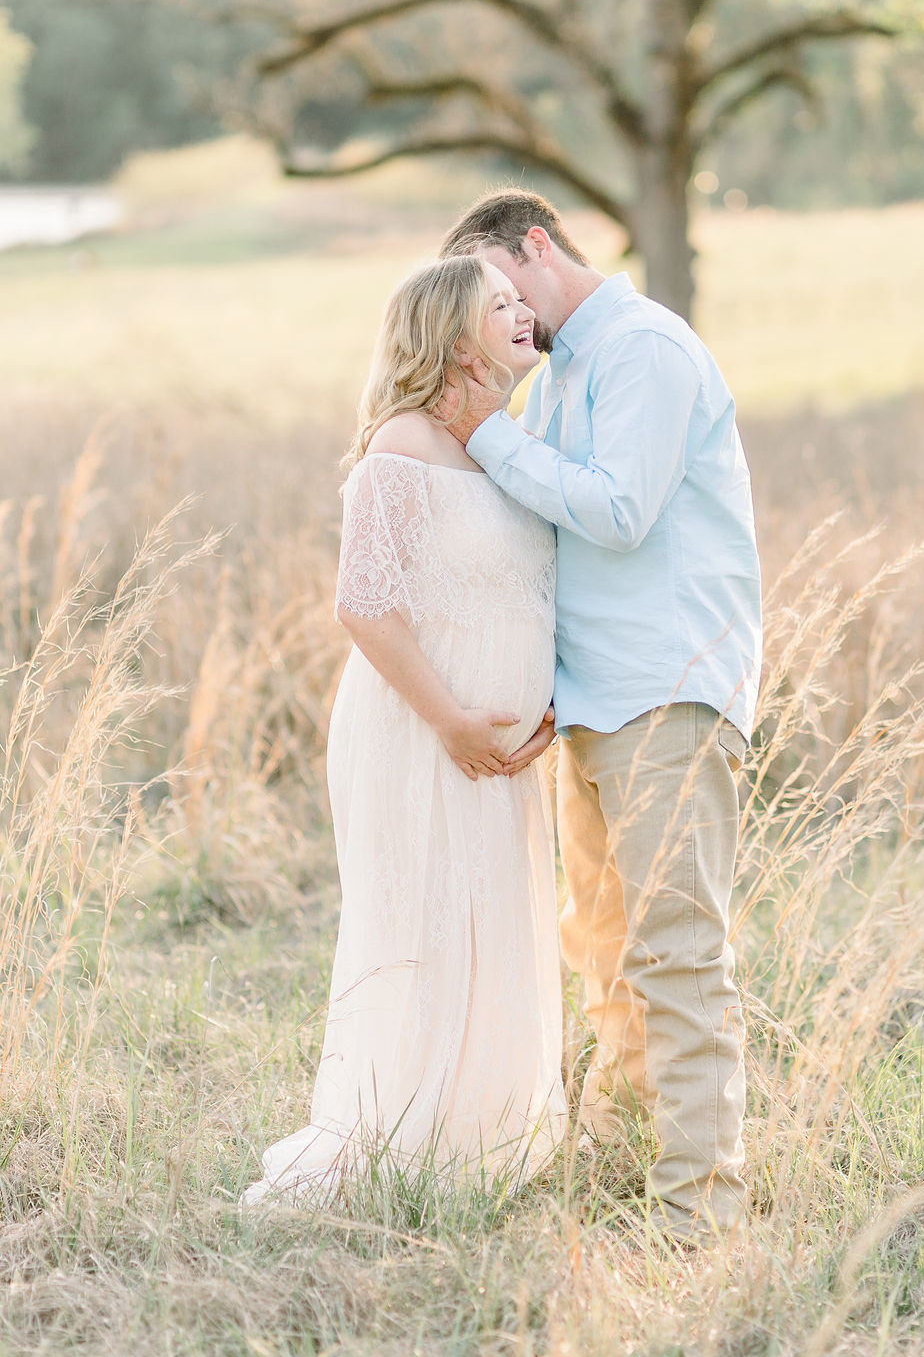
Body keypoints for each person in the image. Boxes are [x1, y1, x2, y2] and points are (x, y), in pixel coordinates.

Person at [438, 192, 762, 1246]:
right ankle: (635, 1162)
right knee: (605, 950)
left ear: (538, 245)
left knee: (677, 955)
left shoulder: (644, 351)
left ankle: (697, 1221)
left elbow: (619, 511)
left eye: (501, 289)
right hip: (591, 702)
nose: (506, 315)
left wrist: (487, 436)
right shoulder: (563, 377)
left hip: (666, 688)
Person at [242, 255, 566, 1206]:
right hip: (419, 734)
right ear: (452, 337)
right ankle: (393, 1141)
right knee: (429, 924)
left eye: (520, 299)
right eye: (498, 305)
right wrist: (454, 719)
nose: (521, 313)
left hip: (498, 750)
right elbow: (365, 606)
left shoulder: (504, 439)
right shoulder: (401, 447)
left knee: (495, 924)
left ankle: (479, 1140)